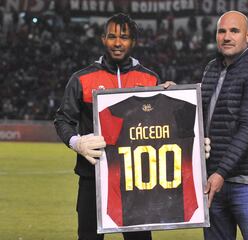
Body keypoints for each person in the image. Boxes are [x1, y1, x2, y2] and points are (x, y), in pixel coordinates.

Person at [54, 13, 171, 240]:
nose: (118, 43)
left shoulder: (150, 79)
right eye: (112, 36)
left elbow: (162, 126)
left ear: (134, 41)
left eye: (124, 37)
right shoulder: (81, 79)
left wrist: (172, 97)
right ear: (103, 39)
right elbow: (62, 119)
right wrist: (77, 142)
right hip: (93, 177)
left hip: (137, 181)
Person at [202, 11, 248, 240]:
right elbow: (197, 113)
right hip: (213, 182)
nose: (226, 36)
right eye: (222, 31)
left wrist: (221, 172)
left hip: (247, 184)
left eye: (234, 31)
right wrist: (172, 94)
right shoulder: (211, 69)